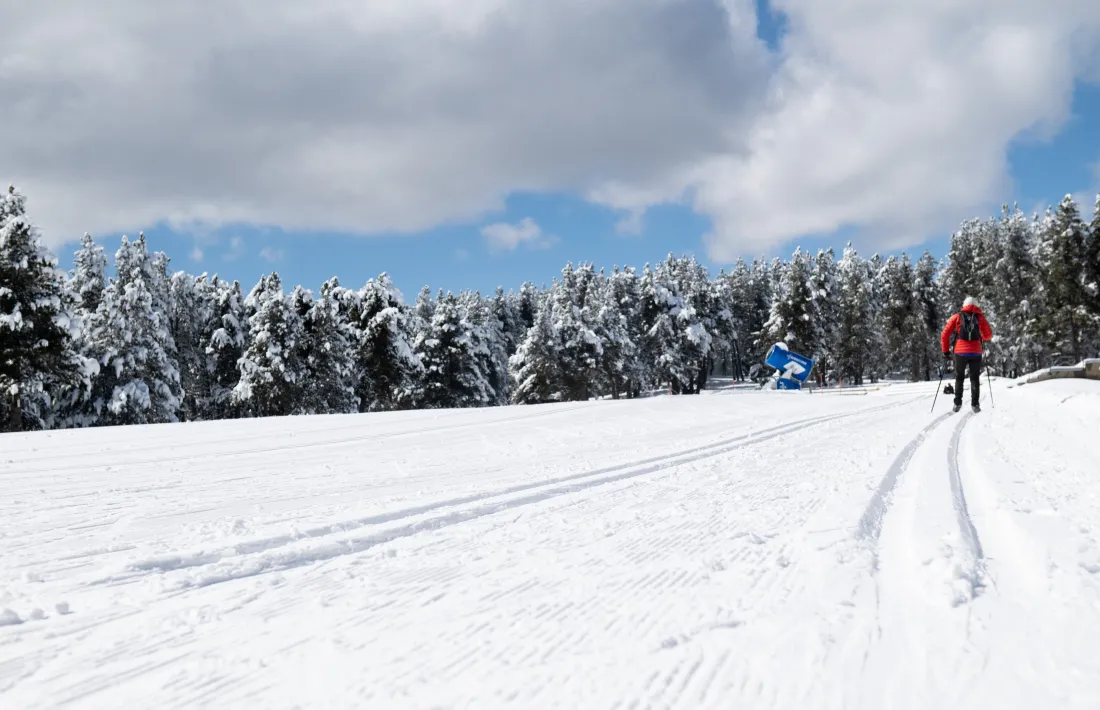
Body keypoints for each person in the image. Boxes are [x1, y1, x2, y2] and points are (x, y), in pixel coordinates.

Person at [940, 296, 993, 413]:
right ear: (976, 305)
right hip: (976, 352)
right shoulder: (980, 318)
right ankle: (975, 405)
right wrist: (980, 337)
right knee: (974, 378)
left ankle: (957, 403)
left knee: (959, 377)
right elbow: (989, 335)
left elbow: (944, 334)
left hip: (960, 352)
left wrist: (945, 351)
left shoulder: (957, 316)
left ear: (964, 305)